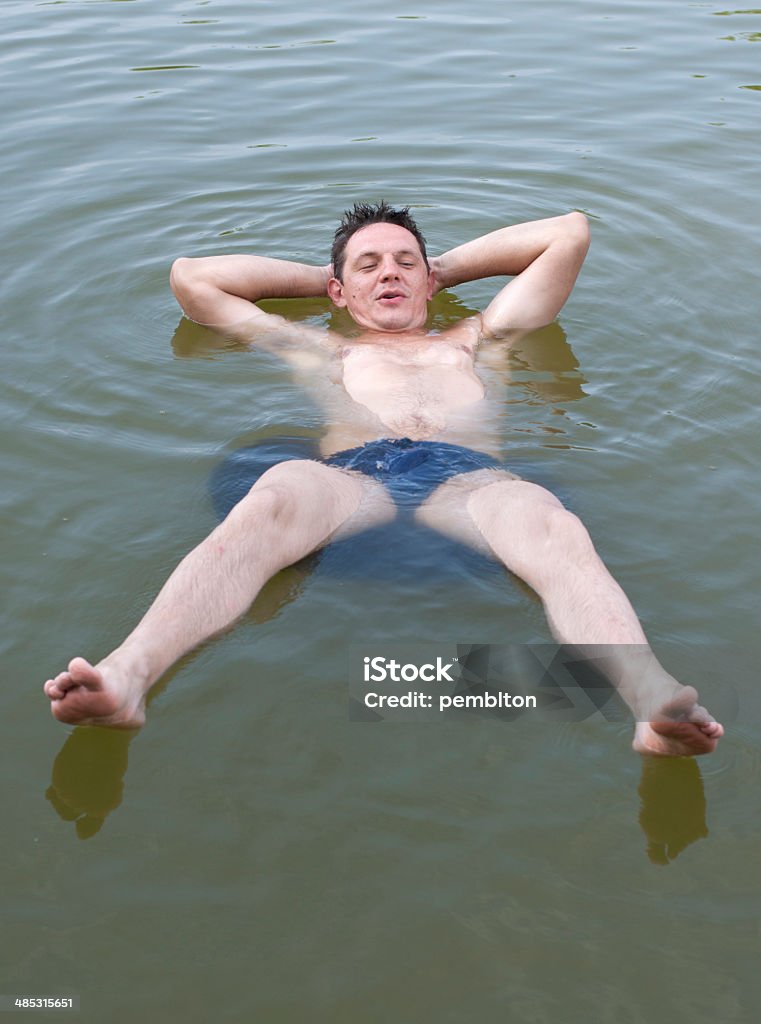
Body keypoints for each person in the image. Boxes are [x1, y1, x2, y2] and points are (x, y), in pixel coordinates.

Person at [43, 202, 724, 756]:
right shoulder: (319, 347)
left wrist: (433, 270)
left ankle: (648, 704)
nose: (389, 273)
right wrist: (331, 277)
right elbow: (193, 278)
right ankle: (128, 677)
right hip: (353, 475)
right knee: (274, 493)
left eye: (405, 264)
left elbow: (566, 233)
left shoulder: (484, 336)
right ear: (338, 290)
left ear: (430, 281)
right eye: (368, 267)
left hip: (466, 480)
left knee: (551, 525)